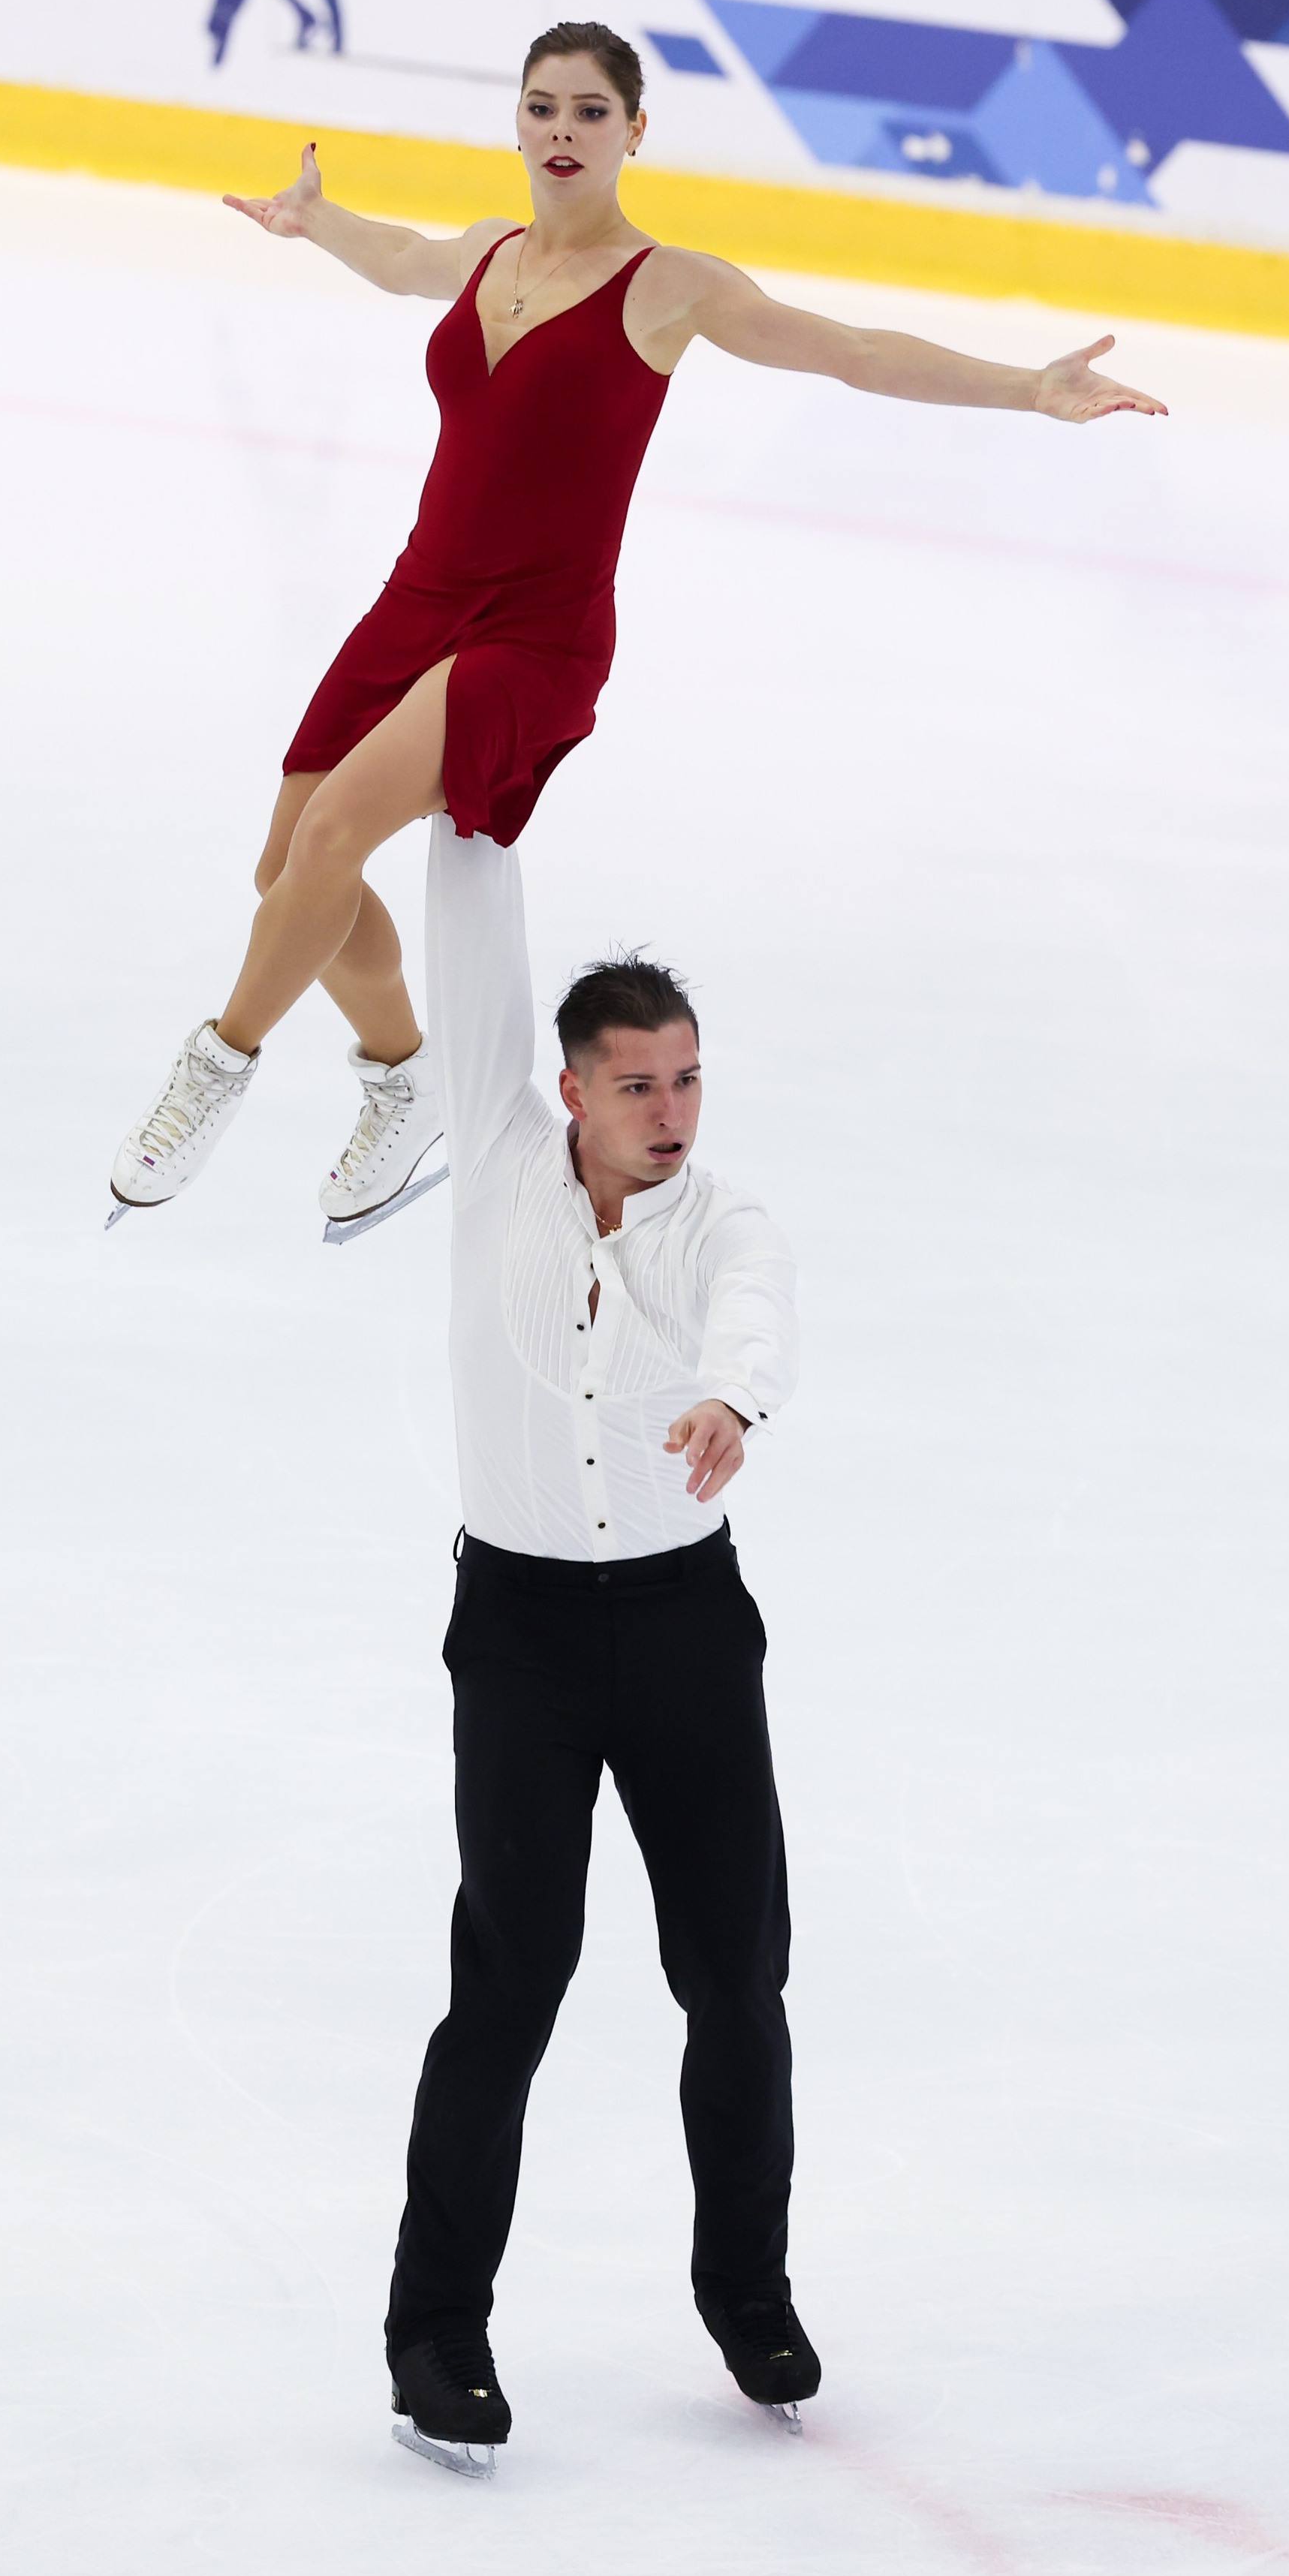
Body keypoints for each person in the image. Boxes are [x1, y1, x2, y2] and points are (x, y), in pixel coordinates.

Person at [106, 19, 1165, 1232]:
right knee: (288, 862)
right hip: (419, 598)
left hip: (535, 633)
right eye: (543, 108)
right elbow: (402, 257)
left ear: (635, 130)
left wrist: (1028, 387)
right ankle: (405, 1079)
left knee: (337, 830)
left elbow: (853, 353)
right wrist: (318, 219)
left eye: (591, 112)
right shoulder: (489, 252)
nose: (563, 132)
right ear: (516, 121)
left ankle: (216, 1066)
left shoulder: (669, 285)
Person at [385, 814, 804, 2476]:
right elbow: (473, 954)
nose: (670, 1112)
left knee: (734, 1978)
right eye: (637, 1084)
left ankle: (749, 2297)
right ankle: (435, 2332)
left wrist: (731, 1399)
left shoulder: (722, 1221)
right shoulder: (500, 1159)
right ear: (568, 1088)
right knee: (509, 1979)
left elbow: (754, 1312)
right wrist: (475, 807)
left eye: (687, 1079)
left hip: (686, 1632)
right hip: (524, 1641)